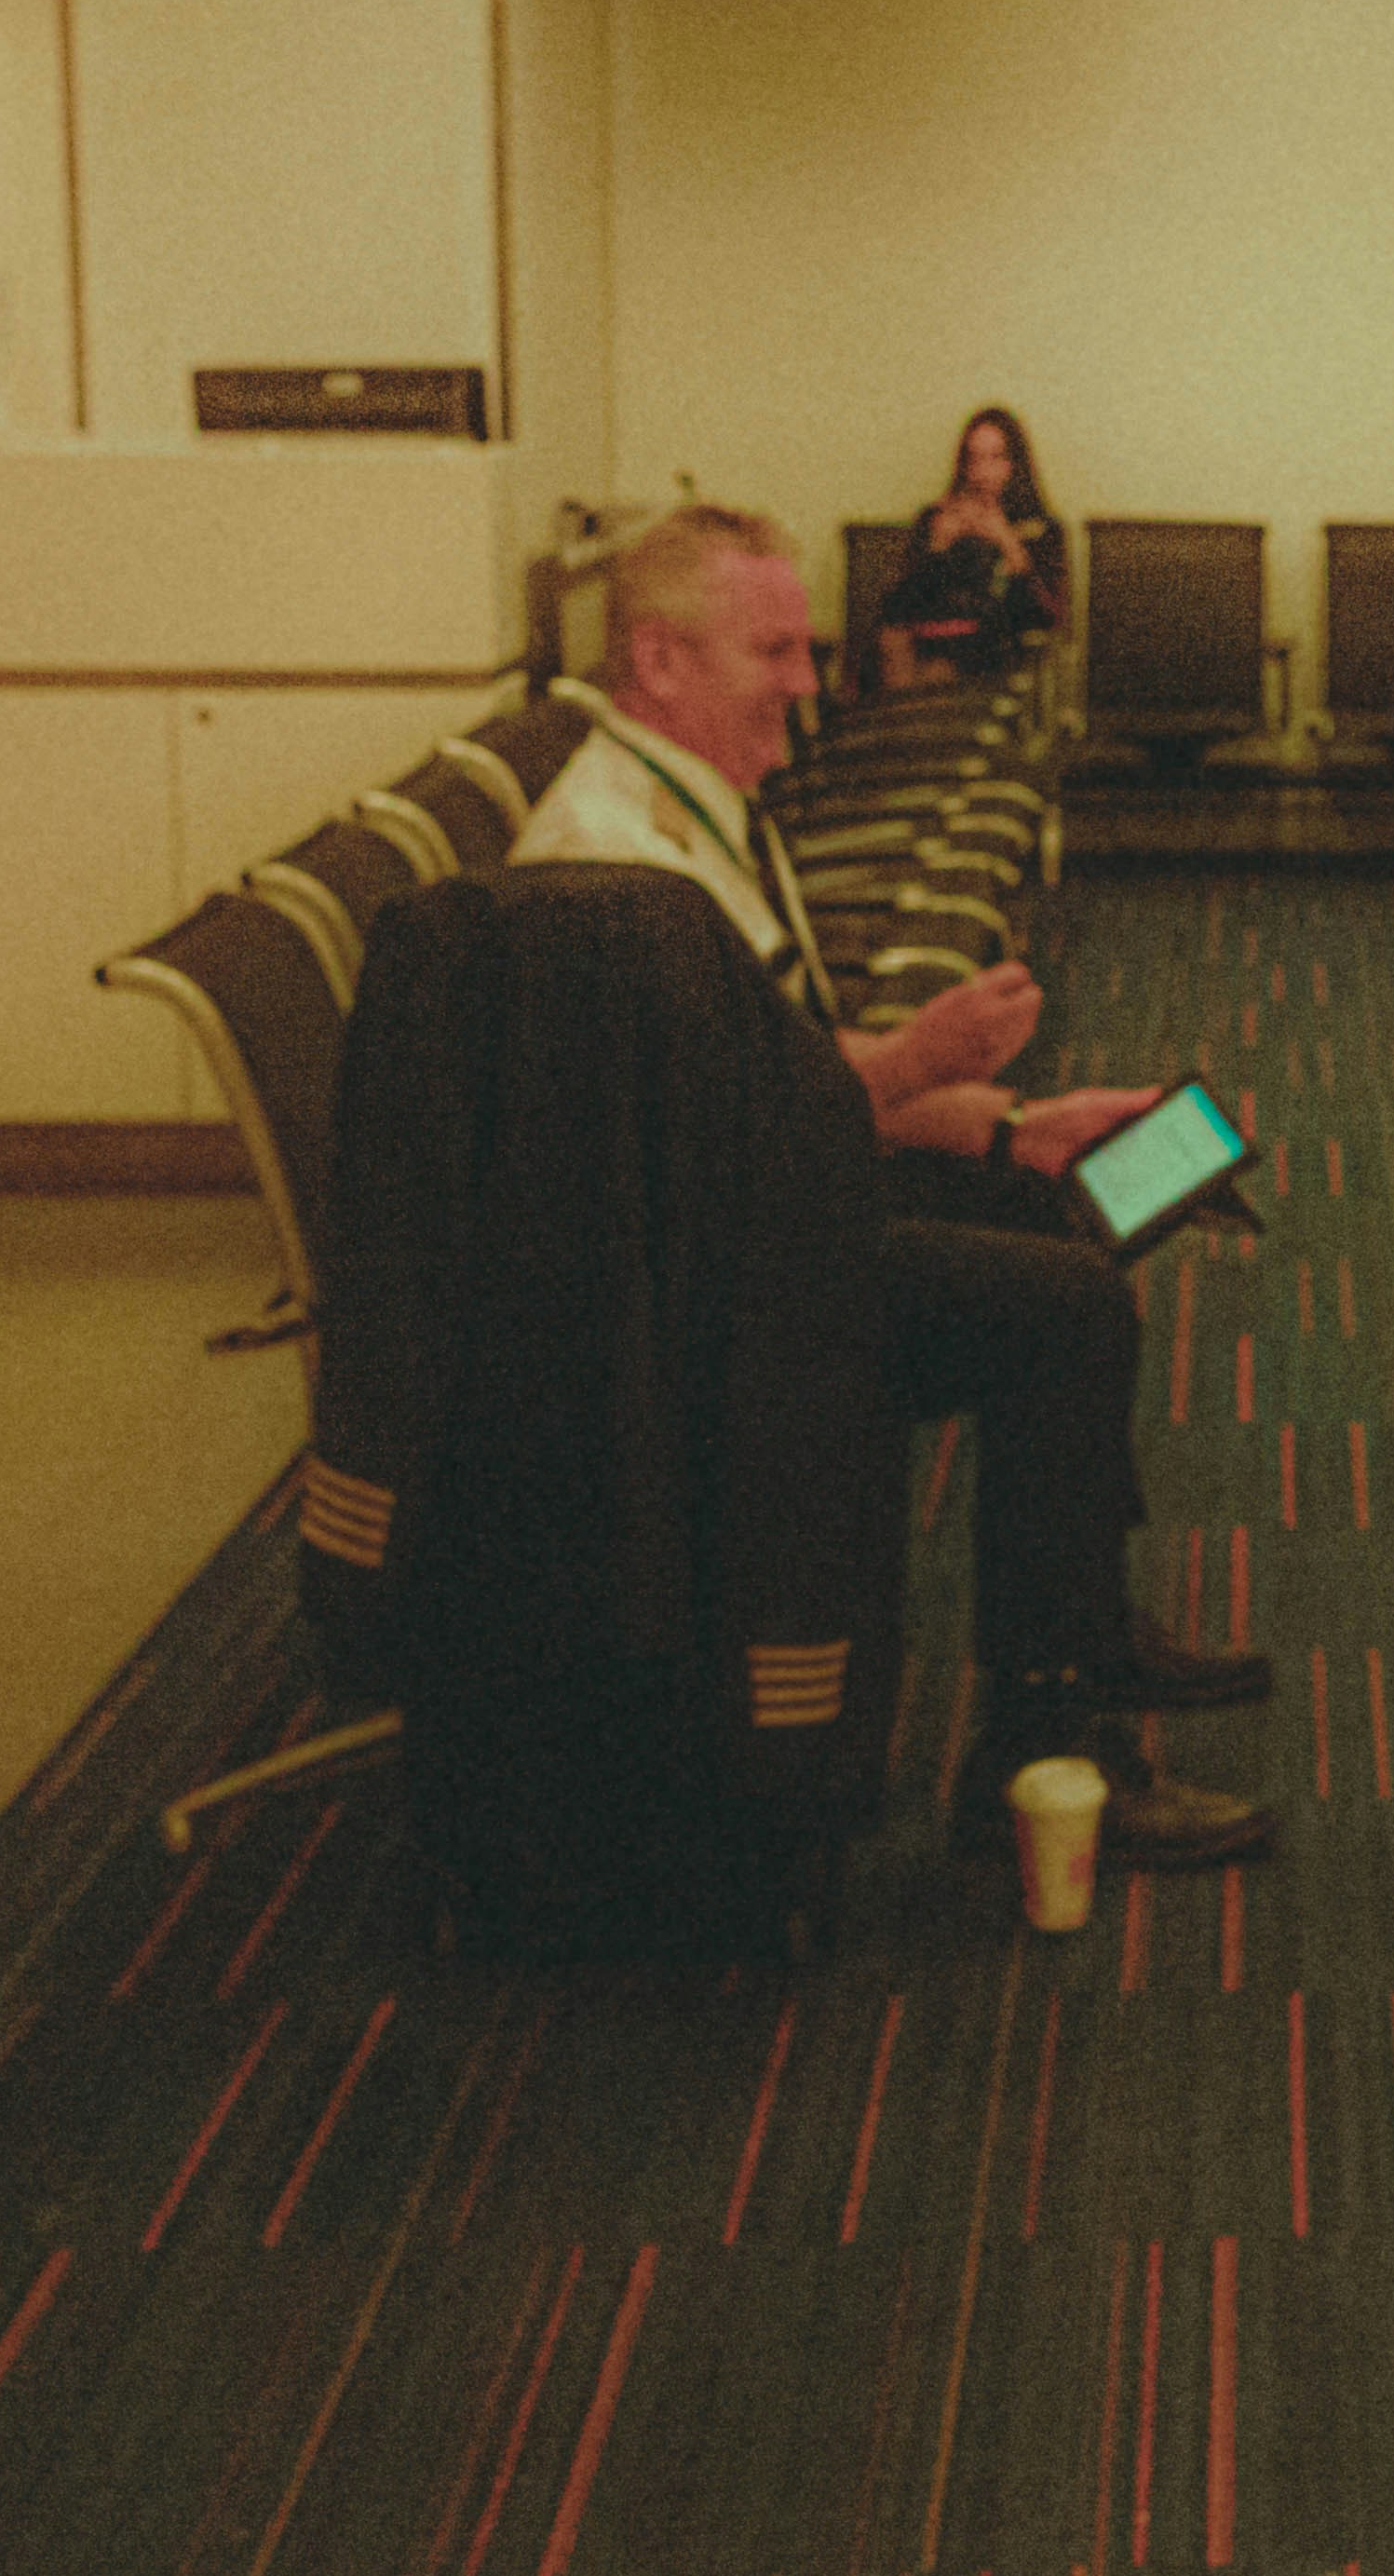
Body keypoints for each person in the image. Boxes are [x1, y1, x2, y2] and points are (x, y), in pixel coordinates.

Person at [518, 500, 1275, 1865]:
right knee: (1056, 1309)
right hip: (692, 1298)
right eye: (777, 654)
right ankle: (1033, 1749)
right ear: (660, 661)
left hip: (748, 1222)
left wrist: (1010, 1125)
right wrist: (920, 1059)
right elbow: (712, 1133)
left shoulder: (688, 814)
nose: (811, 686)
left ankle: (1079, 1628)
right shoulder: (609, 866)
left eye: (808, 651)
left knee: (1056, 1214)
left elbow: (780, 1062)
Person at [875, 406, 1067, 693]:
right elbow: (898, 609)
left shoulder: (1041, 529)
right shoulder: (934, 520)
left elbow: (1045, 619)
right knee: (897, 642)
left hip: (999, 653)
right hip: (929, 645)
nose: (983, 472)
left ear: (1016, 464)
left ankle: (917, 707)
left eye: (996, 458)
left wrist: (1008, 543)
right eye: (974, 459)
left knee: (941, 670)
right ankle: (903, 713)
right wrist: (937, 548)